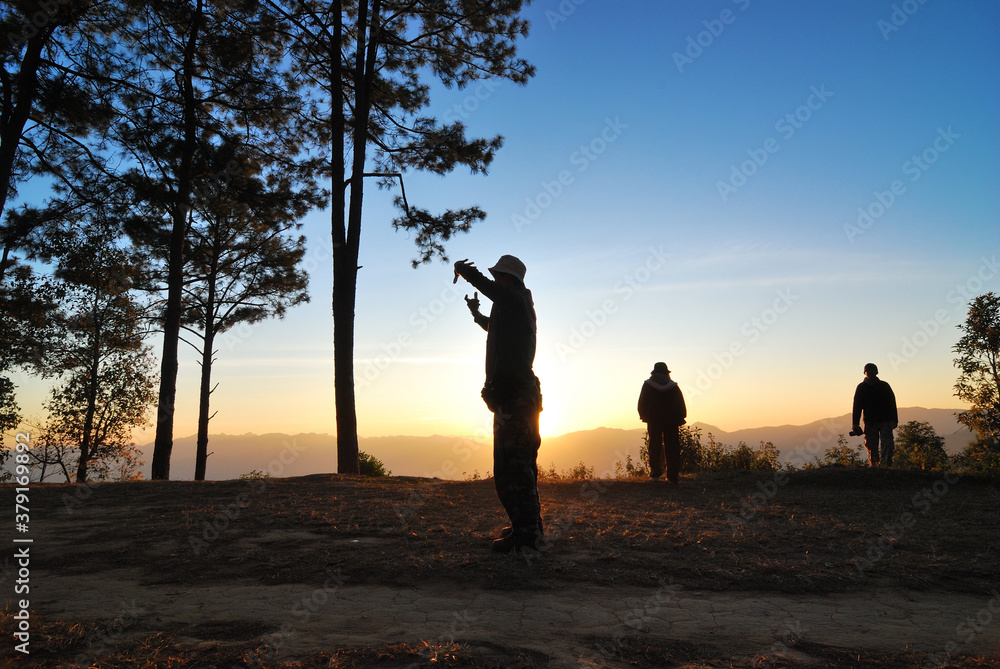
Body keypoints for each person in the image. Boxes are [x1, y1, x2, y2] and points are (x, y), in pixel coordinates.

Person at [453, 255, 543, 553]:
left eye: (498, 276)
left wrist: (466, 272)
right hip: (519, 397)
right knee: (521, 466)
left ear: (508, 279)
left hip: (515, 400)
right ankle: (526, 526)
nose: (496, 281)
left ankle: (528, 536)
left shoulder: (515, 300)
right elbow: (496, 328)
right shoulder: (516, 307)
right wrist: (477, 314)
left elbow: (494, 293)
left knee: (513, 470)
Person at [637, 362, 687, 484]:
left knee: (654, 445)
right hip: (671, 421)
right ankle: (672, 476)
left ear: (654, 372)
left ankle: (655, 473)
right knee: (672, 447)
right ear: (666, 372)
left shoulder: (648, 385)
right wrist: (680, 417)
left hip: (654, 420)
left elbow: (641, 404)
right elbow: (680, 404)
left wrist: (645, 416)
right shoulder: (673, 386)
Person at [851, 362, 898, 467]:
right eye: (869, 371)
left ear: (876, 372)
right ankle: (875, 466)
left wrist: (894, 419)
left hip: (885, 420)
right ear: (865, 373)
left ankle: (886, 466)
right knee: (871, 446)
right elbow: (857, 406)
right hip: (870, 421)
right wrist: (855, 423)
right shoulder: (861, 387)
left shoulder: (884, 386)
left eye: (872, 371)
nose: (871, 373)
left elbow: (892, 403)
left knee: (888, 444)